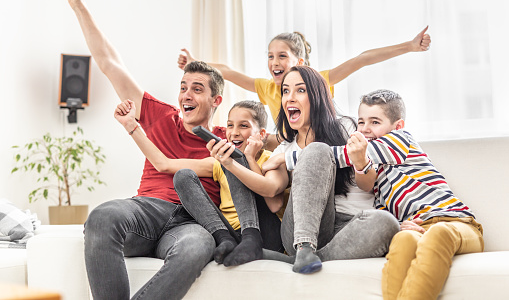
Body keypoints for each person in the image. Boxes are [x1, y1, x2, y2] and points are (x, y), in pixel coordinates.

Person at [64, 0, 227, 300]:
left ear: (215, 101)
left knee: (198, 246)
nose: (187, 94)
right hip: (147, 210)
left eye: (197, 89)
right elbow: (109, 63)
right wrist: (79, 7)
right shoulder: (158, 114)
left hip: (191, 220)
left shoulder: (225, 139)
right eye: (183, 87)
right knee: (103, 216)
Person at [288, 89, 484, 299]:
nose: (365, 129)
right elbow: (376, 201)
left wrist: (284, 159)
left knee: (439, 233)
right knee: (402, 241)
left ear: (397, 126)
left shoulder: (400, 140)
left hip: (456, 221)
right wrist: (397, 225)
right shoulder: (375, 172)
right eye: (361, 122)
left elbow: (340, 155)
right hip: (417, 228)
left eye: (375, 122)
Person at [209, 66, 400, 273]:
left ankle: (303, 260)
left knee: (387, 223)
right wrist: (230, 163)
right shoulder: (284, 148)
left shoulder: (347, 127)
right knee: (316, 150)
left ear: (317, 96)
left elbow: (369, 183)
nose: (290, 98)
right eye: (285, 91)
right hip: (303, 232)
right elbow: (273, 198)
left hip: (351, 225)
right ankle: (304, 249)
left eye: (300, 90)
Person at [178, 29, 432, 149]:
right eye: (270, 57)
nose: (274, 63)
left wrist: (409, 46)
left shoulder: (318, 80)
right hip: (291, 143)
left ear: (299, 62)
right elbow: (229, 72)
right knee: (250, 138)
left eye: (282, 56)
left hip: (321, 142)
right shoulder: (268, 87)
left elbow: (360, 59)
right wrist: (194, 63)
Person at [114, 98, 285, 265]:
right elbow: (163, 164)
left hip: (264, 233)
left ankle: (252, 239)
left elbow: (274, 205)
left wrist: (247, 158)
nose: (234, 132)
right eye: (230, 125)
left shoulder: (271, 160)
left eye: (244, 126)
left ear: (261, 134)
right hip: (233, 233)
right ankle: (223, 237)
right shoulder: (219, 163)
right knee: (183, 176)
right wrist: (131, 126)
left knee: (233, 162)